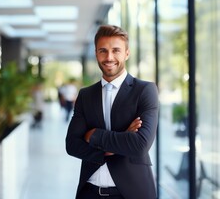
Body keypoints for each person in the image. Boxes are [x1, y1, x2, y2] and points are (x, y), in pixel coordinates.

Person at [65, 25, 159, 199]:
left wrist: (93, 135)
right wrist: (119, 142)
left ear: (127, 53)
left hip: (132, 193)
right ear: (96, 54)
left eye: (116, 50)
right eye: (103, 51)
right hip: (89, 193)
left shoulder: (145, 90)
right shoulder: (86, 95)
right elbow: (71, 144)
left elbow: (140, 145)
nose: (109, 57)